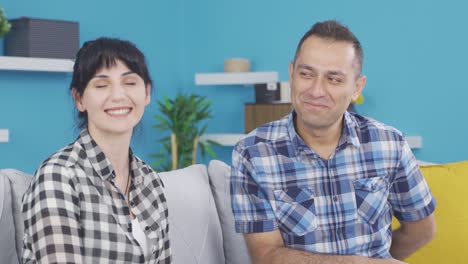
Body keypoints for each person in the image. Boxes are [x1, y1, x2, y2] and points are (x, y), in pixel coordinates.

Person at [231, 20, 436, 264]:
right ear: (291, 74)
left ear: (356, 88)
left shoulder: (389, 144)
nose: (316, 90)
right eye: (306, 74)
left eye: (334, 79)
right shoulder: (252, 153)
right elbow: (266, 256)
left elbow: (422, 230)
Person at [21, 38, 171, 263]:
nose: (118, 95)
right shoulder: (58, 176)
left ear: (147, 93)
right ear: (79, 99)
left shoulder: (151, 181)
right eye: (102, 85)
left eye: (130, 83)